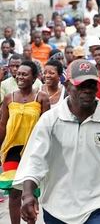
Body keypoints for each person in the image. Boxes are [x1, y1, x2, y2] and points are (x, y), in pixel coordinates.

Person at [13, 59, 100, 224]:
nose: (87, 90)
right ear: (67, 86)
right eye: (81, 85)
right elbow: (35, 159)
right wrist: (28, 194)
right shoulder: (50, 120)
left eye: (91, 85)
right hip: (56, 206)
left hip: (98, 206)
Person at [0, 61, 50, 224]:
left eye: (25, 74)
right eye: (18, 74)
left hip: (33, 150)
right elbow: (2, 125)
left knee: (31, 192)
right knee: (14, 193)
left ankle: (31, 222)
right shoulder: (9, 97)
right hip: (12, 150)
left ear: (34, 77)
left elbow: (46, 126)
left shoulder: (41, 97)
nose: (20, 76)